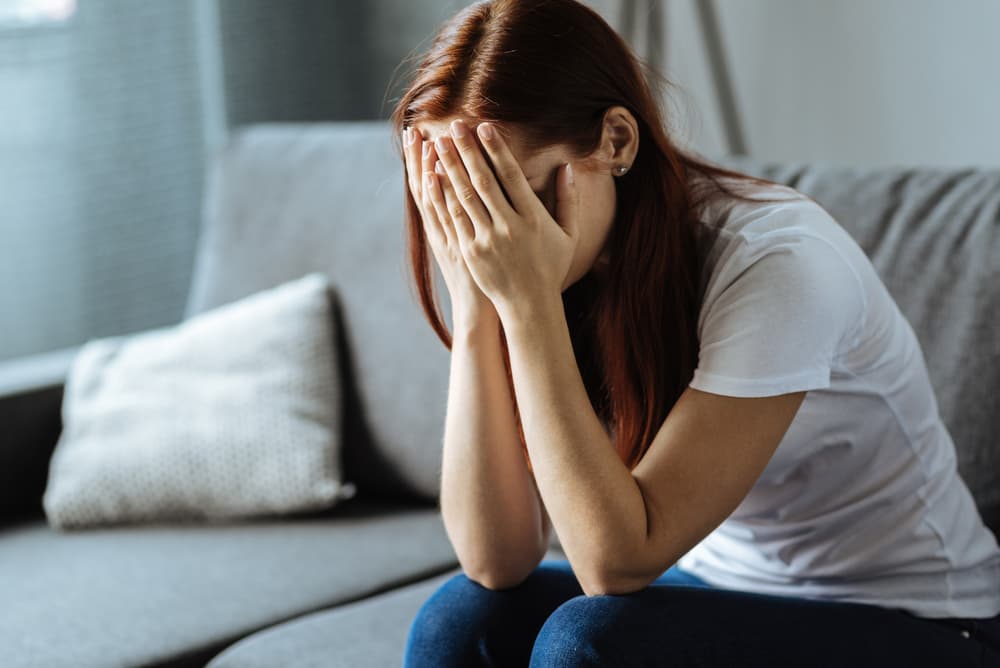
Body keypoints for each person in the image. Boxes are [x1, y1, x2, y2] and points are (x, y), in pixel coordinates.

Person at [391, 0, 1000, 665]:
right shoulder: (534, 266)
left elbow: (615, 565)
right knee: (461, 619)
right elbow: (495, 560)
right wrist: (478, 304)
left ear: (617, 141)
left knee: (588, 645)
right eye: (464, 201)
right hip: (716, 584)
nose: (492, 235)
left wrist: (527, 303)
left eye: (515, 193)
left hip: (911, 617)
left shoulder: (779, 263)